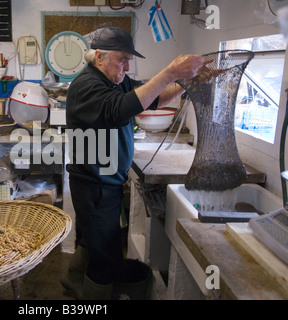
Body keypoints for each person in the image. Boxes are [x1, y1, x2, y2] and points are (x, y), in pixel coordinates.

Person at [61, 26, 204, 300]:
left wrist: (186, 81)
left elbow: (150, 99)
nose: (127, 66)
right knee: (105, 255)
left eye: (129, 59)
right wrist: (171, 71)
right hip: (94, 186)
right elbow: (121, 109)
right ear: (99, 57)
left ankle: (73, 279)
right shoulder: (86, 86)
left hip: (105, 183)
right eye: (122, 59)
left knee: (95, 241)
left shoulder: (115, 81)